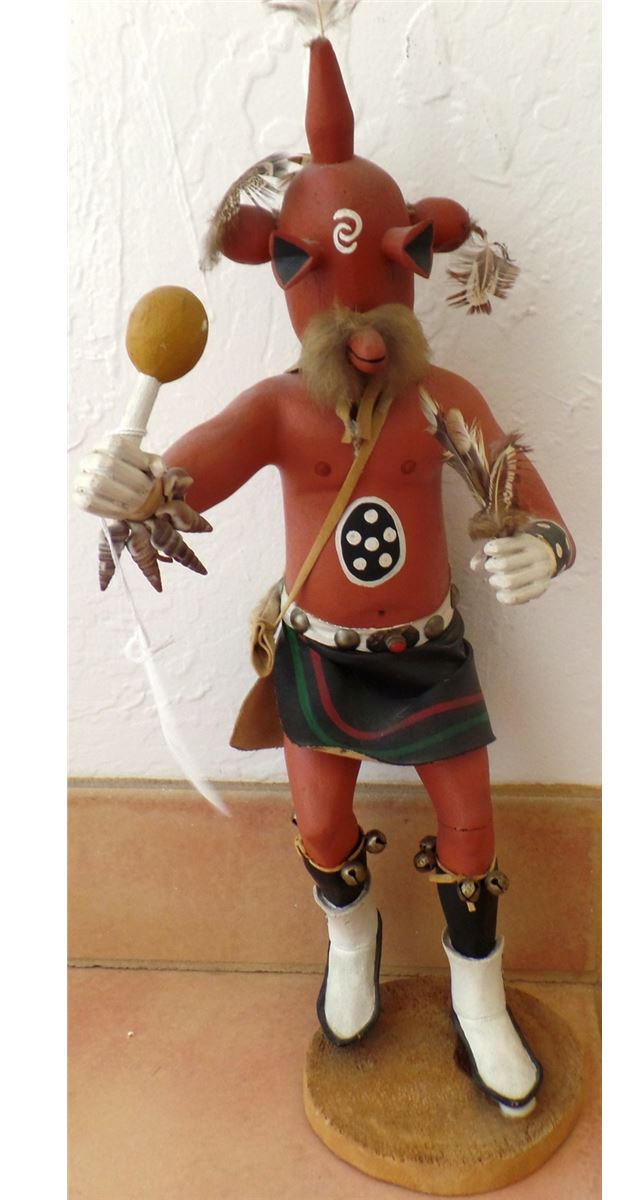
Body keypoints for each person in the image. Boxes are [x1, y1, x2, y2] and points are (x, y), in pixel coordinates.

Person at [74, 29, 573, 1119]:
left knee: (472, 823)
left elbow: (514, 479)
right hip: (321, 655)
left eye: (383, 284)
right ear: (283, 269)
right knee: (320, 822)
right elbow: (186, 477)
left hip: (429, 652)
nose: (364, 335)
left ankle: (478, 995)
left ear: (415, 259)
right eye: (333, 289)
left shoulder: (440, 398)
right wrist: (132, 486)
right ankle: (352, 943)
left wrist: (543, 541)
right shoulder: (275, 410)